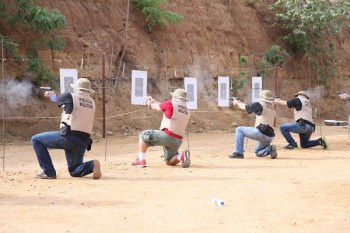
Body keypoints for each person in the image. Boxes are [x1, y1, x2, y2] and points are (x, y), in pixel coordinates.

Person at [31, 78, 101, 179]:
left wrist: (50, 94)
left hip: (69, 137)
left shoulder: (70, 96)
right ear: (88, 90)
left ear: (77, 88)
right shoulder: (92, 103)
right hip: (83, 142)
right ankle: (92, 165)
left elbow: (55, 99)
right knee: (75, 170)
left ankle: (49, 172)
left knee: (36, 140)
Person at [131, 89, 191, 168]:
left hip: (167, 135)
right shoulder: (187, 110)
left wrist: (150, 103)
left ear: (175, 97)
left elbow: (156, 107)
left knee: (143, 135)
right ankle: (182, 156)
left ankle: (141, 160)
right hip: (178, 140)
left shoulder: (170, 104)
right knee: (169, 162)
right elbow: (163, 106)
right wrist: (154, 101)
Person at [228, 90, 277, 159]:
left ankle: (238, 153)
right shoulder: (272, 108)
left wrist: (237, 103)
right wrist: (239, 102)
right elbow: (248, 106)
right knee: (258, 153)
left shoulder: (260, 104)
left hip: (261, 133)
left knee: (239, 130)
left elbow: (244, 107)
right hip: (270, 136)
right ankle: (270, 149)